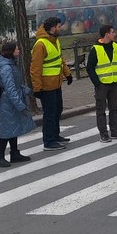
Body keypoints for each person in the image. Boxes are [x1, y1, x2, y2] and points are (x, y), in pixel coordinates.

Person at [30, 16, 73, 151]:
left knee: (57, 109)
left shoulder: (55, 40)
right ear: (53, 28)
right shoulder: (41, 44)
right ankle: (48, 141)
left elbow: (60, 59)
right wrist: (37, 88)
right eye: (59, 27)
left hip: (56, 83)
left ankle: (55, 135)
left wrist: (67, 74)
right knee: (49, 113)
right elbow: (35, 69)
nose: (61, 29)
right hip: (46, 86)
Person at [0, 41, 35, 168]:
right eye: (17, 49)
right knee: (6, 130)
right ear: (10, 52)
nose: (19, 51)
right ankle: (0, 156)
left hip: (10, 102)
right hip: (8, 103)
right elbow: (10, 89)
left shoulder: (10, 64)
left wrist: (25, 90)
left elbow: (14, 85)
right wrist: (20, 105)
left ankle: (14, 153)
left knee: (13, 127)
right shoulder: (6, 68)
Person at [86, 25, 117, 143]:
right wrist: (97, 82)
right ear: (106, 34)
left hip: (114, 83)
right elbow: (90, 68)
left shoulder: (116, 47)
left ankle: (114, 131)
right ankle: (103, 134)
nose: (115, 34)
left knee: (114, 108)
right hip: (102, 84)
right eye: (112, 32)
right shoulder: (96, 49)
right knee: (101, 110)